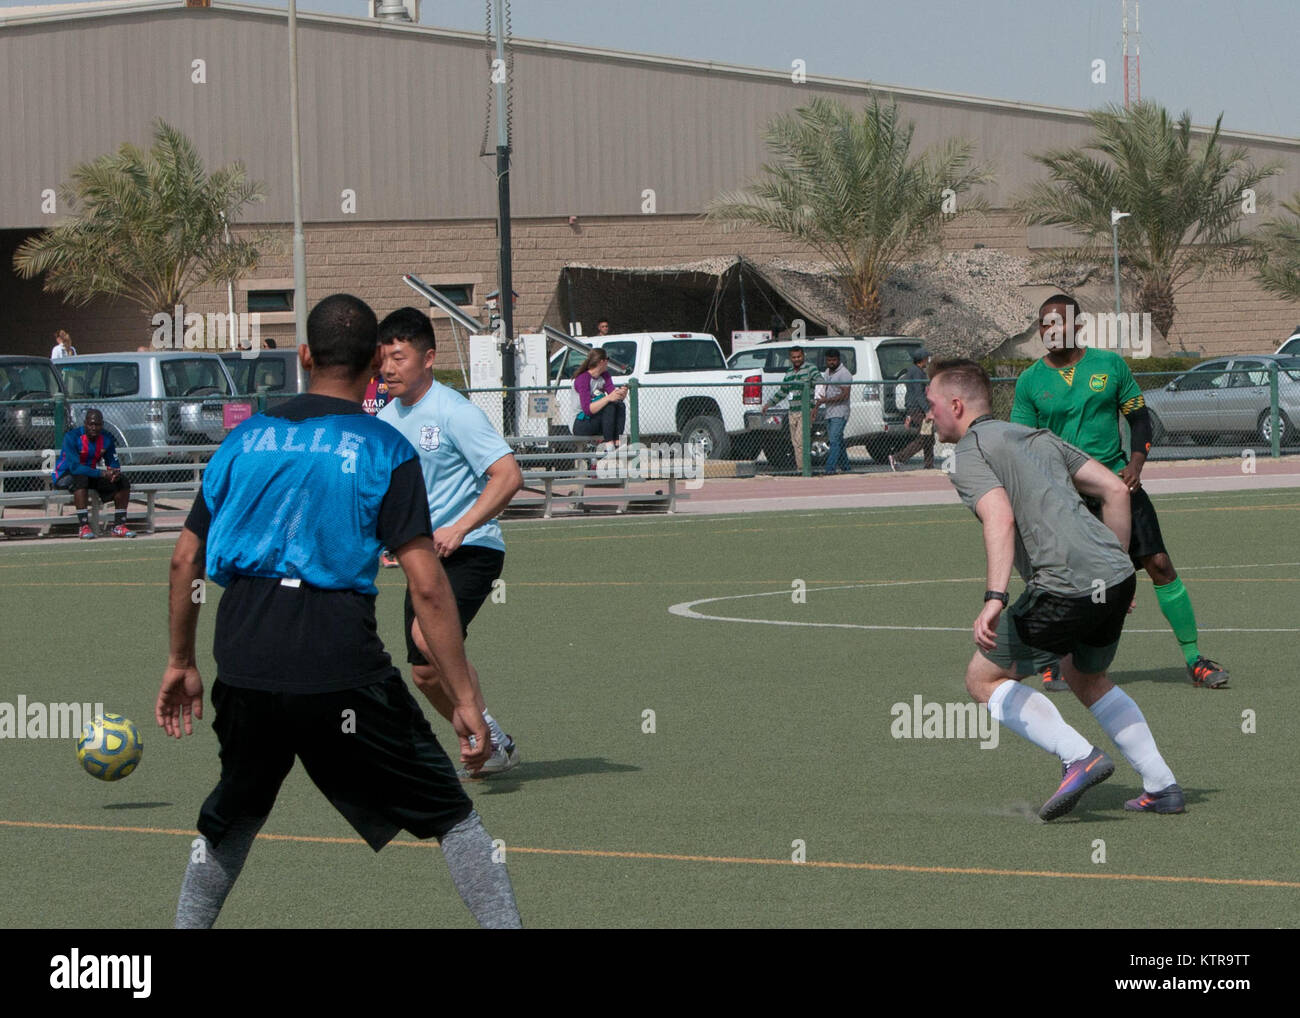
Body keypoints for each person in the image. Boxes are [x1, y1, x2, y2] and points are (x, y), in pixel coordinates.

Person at [155, 293, 521, 929]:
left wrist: (180, 660)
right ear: (376, 362)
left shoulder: (244, 440)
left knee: (234, 816)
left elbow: (184, 561)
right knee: (454, 817)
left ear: (303, 355)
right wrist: (465, 700)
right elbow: (429, 587)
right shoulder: (384, 447)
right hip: (338, 661)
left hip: (243, 654)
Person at [931, 358, 1185, 818]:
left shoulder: (970, 452)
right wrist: (1112, 570)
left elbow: (999, 517)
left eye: (931, 405)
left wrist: (994, 598)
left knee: (983, 679)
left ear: (955, 404)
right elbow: (1115, 490)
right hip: (1117, 575)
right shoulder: (1036, 437)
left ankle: (1079, 757)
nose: (928, 415)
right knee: (1085, 675)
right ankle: (1162, 786)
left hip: (1064, 585)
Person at [1011, 293, 1229, 692]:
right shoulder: (1030, 381)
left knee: (1159, 564)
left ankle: (1195, 658)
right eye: (1044, 323)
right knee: (1059, 580)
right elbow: (1022, 443)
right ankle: (1052, 662)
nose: (1050, 330)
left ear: (1078, 326)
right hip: (1063, 498)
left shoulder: (1109, 365)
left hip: (1117, 485)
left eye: (1058, 322)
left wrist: (1136, 463)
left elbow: (1139, 419)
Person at [377, 307, 524, 778]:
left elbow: (508, 476)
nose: (388, 369)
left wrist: (460, 526)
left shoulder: (454, 411)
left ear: (428, 358)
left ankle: (484, 738)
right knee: (422, 670)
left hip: (473, 548)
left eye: (398, 357)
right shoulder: (382, 420)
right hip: (423, 558)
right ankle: (490, 737)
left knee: (428, 636)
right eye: (383, 359)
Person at [52, 409, 135, 538]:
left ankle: (119, 526)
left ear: (102, 425)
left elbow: (113, 463)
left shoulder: (106, 440)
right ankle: (83, 527)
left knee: (122, 482)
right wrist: (102, 474)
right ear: (85, 423)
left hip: (90, 474)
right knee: (81, 479)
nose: (94, 428)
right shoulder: (72, 437)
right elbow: (75, 468)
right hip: (65, 474)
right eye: (91, 424)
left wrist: (114, 472)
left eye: (97, 425)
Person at [760, 346, 821, 473]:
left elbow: (821, 384)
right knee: (795, 442)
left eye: (799, 356)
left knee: (801, 441)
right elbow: (783, 391)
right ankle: (802, 467)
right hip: (792, 411)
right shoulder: (789, 372)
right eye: (794, 357)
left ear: (803, 356)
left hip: (806, 411)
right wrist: (768, 404)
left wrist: (815, 407)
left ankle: (803, 469)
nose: (797, 359)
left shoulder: (811, 369)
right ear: (790, 358)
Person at [572, 347, 628, 448]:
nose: (608, 363)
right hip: (580, 422)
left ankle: (618, 442)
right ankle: (609, 444)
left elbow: (613, 396)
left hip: (596, 419)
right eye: (608, 359)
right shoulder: (583, 378)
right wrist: (608, 398)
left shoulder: (605, 375)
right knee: (609, 406)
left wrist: (621, 394)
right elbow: (588, 410)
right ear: (602, 361)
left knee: (620, 405)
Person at [889, 348, 935, 470]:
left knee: (929, 437)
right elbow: (918, 393)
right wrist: (927, 411)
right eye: (926, 358)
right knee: (924, 437)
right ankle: (898, 458)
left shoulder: (916, 371)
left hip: (916, 408)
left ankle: (929, 465)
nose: (928, 360)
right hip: (918, 409)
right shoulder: (916, 372)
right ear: (922, 360)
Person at [813, 348, 852, 475]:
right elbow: (824, 390)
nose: (831, 362)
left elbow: (845, 395)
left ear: (838, 360)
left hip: (840, 412)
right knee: (838, 440)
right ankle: (846, 467)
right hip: (829, 412)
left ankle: (830, 469)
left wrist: (827, 400)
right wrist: (818, 405)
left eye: (834, 360)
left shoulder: (844, 374)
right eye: (829, 360)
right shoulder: (827, 372)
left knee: (833, 440)